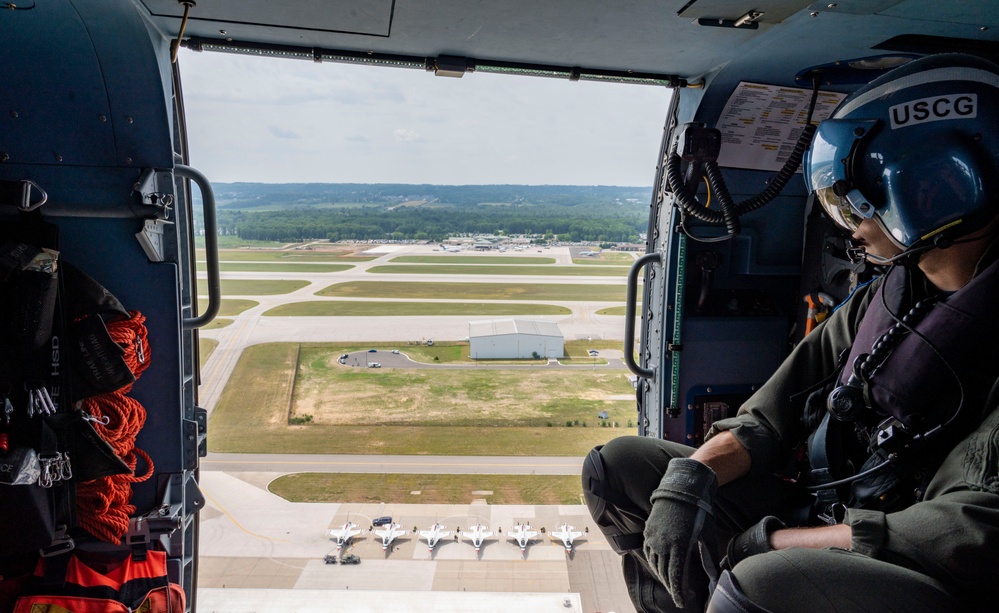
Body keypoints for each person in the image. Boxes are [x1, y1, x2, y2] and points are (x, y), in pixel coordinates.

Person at [582, 53, 999, 612]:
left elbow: (965, 536)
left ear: (931, 188)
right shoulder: (892, 294)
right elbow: (767, 417)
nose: (847, 225)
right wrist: (690, 480)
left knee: (764, 583)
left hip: (933, 571)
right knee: (620, 469)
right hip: (833, 505)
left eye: (855, 201)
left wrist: (773, 541)